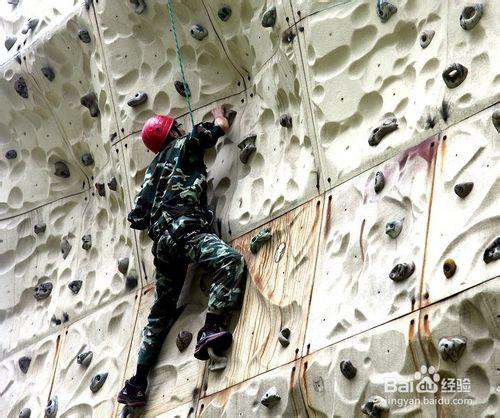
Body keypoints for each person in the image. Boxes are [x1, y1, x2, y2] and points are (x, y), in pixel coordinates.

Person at [117, 105, 246, 407]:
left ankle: (137, 381)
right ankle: (211, 327)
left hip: (162, 245)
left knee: (162, 310)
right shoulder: (182, 145)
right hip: (186, 228)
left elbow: (137, 216)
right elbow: (217, 130)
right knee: (230, 261)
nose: (180, 129)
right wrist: (219, 116)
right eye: (176, 127)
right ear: (171, 133)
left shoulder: (151, 173)